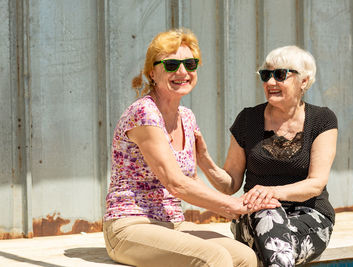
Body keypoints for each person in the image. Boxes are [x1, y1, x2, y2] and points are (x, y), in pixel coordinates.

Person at [102, 28, 280, 267]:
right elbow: (175, 183)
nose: (182, 71)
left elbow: (191, 179)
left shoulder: (186, 117)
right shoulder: (144, 113)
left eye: (190, 63)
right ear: (152, 73)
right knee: (213, 258)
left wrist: (240, 203)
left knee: (245, 257)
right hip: (130, 226)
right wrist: (232, 205)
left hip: (172, 224)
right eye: (171, 64)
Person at [195, 45, 338, 266]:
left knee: (273, 238)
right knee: (267, 214)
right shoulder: (247, 119)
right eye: (266, 75)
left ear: (304, 81)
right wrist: (204, 160)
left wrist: (270, 192)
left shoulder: (321, 120)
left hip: (309, 217)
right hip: (255, 218)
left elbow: (315, 184)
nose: (271, 83)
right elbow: (230, 184)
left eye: (280, 75)